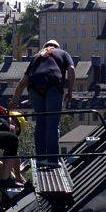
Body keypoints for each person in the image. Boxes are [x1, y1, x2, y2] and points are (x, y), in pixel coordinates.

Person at [10, 39, 75, 167]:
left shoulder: (37, 57)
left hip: (35, 89)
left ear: (45, 47)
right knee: (52, 125)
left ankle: (40, 159)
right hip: (53, 86)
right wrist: (70, 91)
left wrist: (14, 101)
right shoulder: (63, 53)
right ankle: (52, 160)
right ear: (57, 47)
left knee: (40, 124)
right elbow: (71, 70)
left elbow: (23, 81)